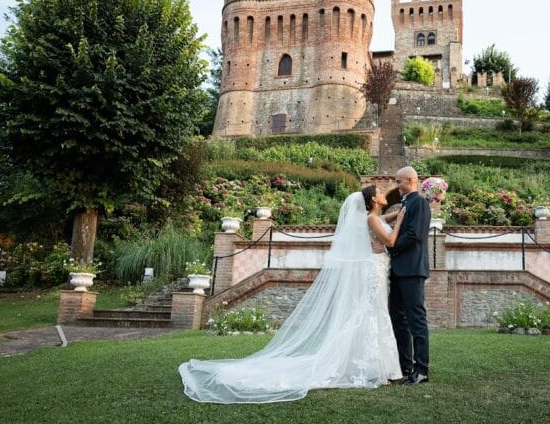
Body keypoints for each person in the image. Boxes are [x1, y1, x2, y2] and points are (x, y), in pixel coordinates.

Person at [178, 188, 405, 404]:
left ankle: (373, 364)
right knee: (371, 313)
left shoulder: (373, 218)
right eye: (380, 193)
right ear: (374, 200)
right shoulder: (371, 219)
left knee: (374, 312)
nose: (385, 195)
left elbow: (383, 221)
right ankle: (373, 366)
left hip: (377, 268)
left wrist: (398, 212)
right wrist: (402, 219)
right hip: (374, 270)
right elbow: (391, 241)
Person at [387, 166, 431, 385]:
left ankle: (421, 369)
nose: (397, 185)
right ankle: (405, 367)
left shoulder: (420, 203)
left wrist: (391, 248)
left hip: (413, 269)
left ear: (411, 181)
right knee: (398, 319)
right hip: (397, 271)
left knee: (416, 320)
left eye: (399, 181)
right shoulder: (404, 204)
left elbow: (415, 235)